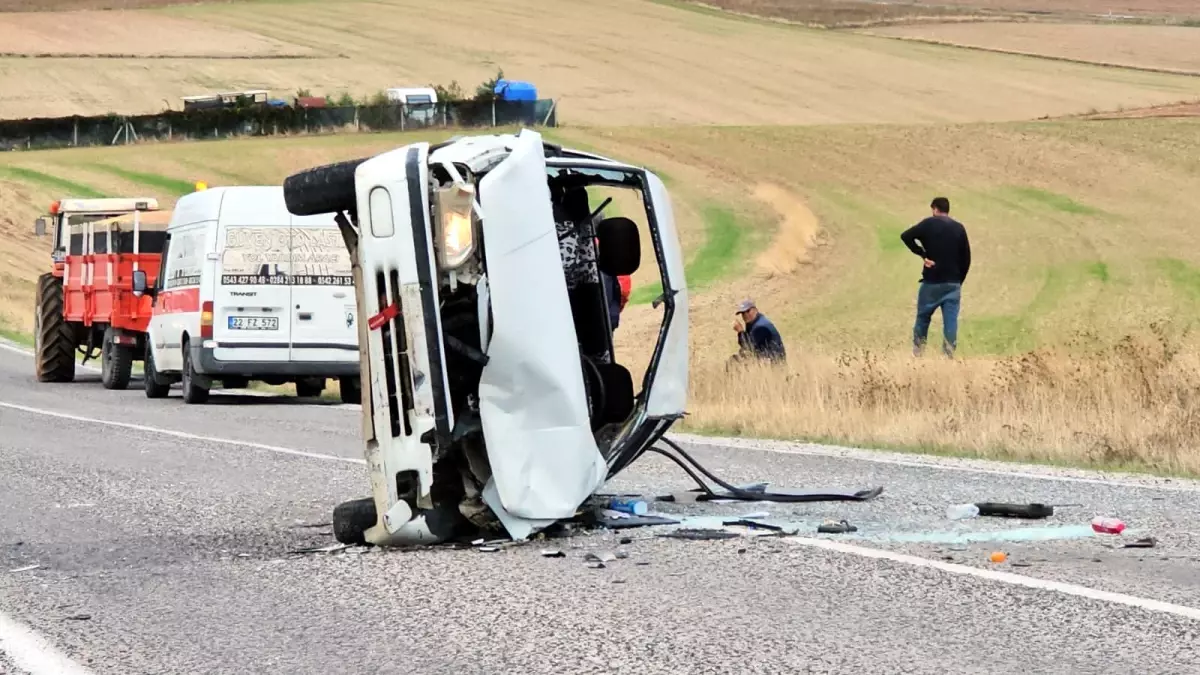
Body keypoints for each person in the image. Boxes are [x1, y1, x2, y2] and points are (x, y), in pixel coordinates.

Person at [899, 196, 971, 358]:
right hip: (953, 283)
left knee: (923, 318)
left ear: (934, 208)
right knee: (950, 322)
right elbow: (966, 258)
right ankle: (948, 355)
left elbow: (906, 236)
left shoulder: (928, 224)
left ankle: (918, 353)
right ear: (947, 209)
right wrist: (959, 280)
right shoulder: (959, 228)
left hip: (932, 281)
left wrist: (922, 255)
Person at [731, 298, 785, 363]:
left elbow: (748, 347)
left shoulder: (761, 326)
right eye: (742, 313)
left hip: (773, 363)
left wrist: (740, 331)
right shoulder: (753, 323)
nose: (745, 315)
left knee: (735, 362)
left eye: (748, 311)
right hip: (766, 359)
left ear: (755, 310)